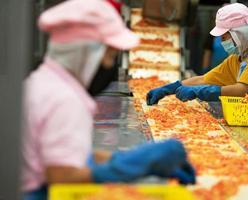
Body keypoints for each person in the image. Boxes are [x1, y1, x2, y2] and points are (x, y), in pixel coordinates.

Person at [22, 0, 195, 199]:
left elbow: (65, 158)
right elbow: (62, 175)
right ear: (86, 53)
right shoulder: (65, 99)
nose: (110, 64)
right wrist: (137, 164)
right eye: (110, 56)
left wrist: (129, 158)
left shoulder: (41, 81)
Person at [146, 3, 248, 135]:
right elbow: (203, 79)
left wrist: (200, 92)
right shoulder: (237, 59)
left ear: (240, 34)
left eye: (224, 37)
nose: (221, 42)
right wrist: (170, 88)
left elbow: (242, 90)